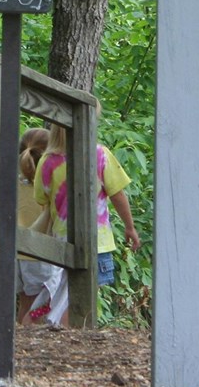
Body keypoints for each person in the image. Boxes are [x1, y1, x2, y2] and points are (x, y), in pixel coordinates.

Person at [32, 122, 141, 325]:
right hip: (96, 240)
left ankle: (47, 322)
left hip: (61, 239)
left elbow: (42, 199)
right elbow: (117, 193)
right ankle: (65, 329)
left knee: (62, 288)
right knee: (84, 293)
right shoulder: (99, 154)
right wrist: (129, 227)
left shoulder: (47, 161)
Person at [16, 126, 67, 326]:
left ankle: (20, 340)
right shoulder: (49, 188)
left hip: (17, 254)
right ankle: (37, 342)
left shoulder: (14, 183)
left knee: (25, 304)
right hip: (42, 255)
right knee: (45, 307)